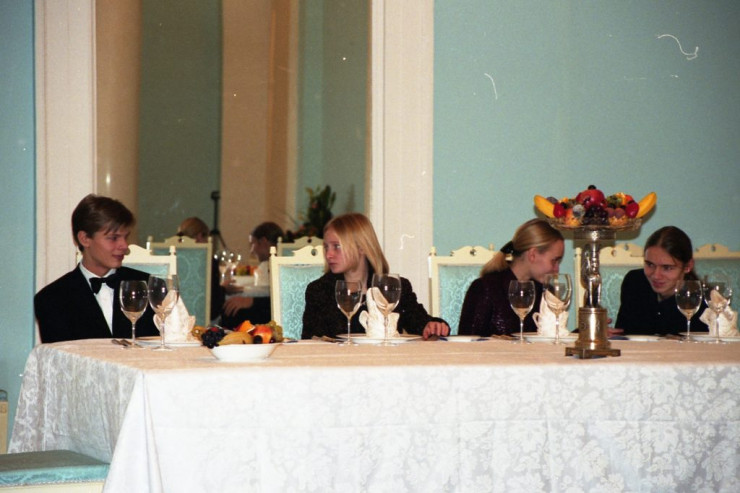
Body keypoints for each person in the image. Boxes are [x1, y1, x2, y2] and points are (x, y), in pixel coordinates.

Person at [302, 212, 449, 340]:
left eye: (337, 246)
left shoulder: (392, 287)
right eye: (326, 247)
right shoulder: (319, 291)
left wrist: (433, 326)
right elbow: (311, 341)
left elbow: (420, 324)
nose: (328, 254)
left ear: (361, 247)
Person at [35, 194, 159, 343]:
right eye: (113, 238)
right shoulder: (51, 299)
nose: (125, 246)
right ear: (85, 239)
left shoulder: (150, 286)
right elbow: (59, 355)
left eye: (125, 237)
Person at [458, 218, 564, 337]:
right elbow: (467, 342)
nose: (557, 269)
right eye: (554, 261)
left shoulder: (546, 293)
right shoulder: (485, 288)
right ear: (532, 254)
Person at [613, 226, 707, 336]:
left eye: (667, 268)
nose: (656, 275)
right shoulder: (635, 282)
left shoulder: (703, 303)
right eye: (650, 264)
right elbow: (623, 334)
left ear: (688, 266)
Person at [220, 221, 284, 328]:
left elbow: (273, 292)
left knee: (231, 308)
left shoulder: (274, 263)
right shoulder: (269, 264)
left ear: (263, 242)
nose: (252, 250)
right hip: (266, 306)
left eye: (253, 244)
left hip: (271, 313)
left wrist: (247, 297)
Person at [176, 216, 225, 322]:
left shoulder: (170, 256)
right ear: (199, 236)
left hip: (174, 319)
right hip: (203, 320)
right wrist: (223, 290)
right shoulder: (207, 261)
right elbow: (214, 303)